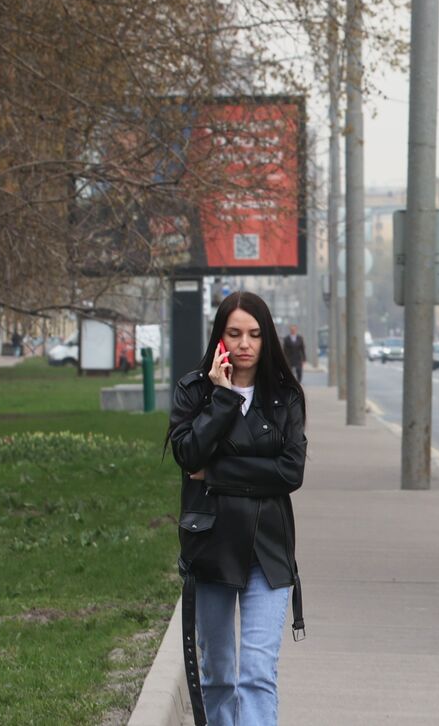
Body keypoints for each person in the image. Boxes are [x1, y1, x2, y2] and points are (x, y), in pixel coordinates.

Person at [168, 291, 306, 726]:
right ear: (220, 338)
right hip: (211, 546)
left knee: (257, 675)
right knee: (219, 676)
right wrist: (224, 398)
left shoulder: (285, 396)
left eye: (254, 334)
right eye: (234, 333)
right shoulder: (194, 390)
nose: (245, 343)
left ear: (266, 340)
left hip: (268, 549)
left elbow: (290, 472)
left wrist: (216, 474)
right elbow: (189, 455)